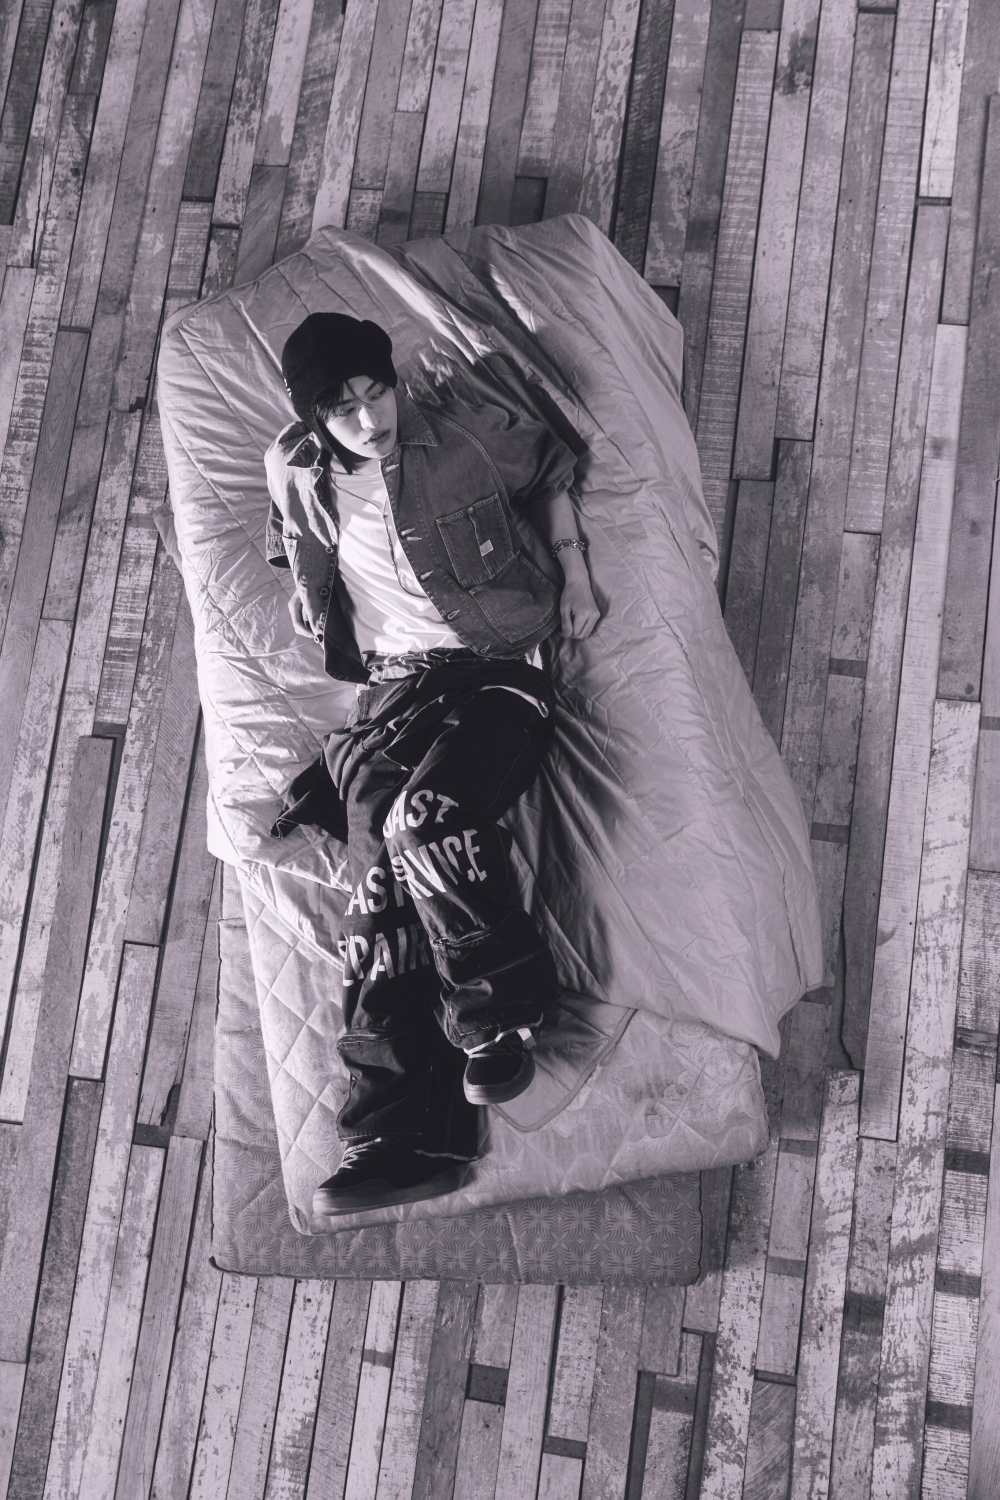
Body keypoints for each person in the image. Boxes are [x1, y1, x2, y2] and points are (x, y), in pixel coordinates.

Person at [265, 312, 600, 1215]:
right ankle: (401, 1139)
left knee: (426, 823)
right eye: (343, 409)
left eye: (377, 392)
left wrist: (573, 574)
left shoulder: (462, 439)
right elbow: (291, 534)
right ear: (312, 418)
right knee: (377, 901)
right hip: (391, 696)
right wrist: (307, 591)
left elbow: (550, 470)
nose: (369, 419)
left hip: (496, 673)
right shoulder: (290, 467)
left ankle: (502, 1017)